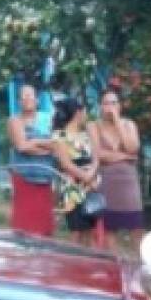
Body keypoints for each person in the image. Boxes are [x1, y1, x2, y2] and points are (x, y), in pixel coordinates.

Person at [92, 87, 145, 252]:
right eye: (106, 103)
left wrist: (117, 122)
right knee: (109, 229)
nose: (110, 107)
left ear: (120, 106)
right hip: (107, 182)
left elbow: (132, 148)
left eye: (114, 103)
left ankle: (143, 267)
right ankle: (113, 266)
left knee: (137, 228)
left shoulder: (129, 125)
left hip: (129, 184)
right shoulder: (94, 126)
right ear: (100, 106)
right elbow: (98, 154)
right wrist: (124, 157)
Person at [51, 97, 103, 248]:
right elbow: (66, 164)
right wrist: (85, 177)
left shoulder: (88, 132)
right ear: (77, 112)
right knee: (76, 230)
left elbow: (96, 157)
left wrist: (92, 175)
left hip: (91, 184)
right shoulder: (59, 136)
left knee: (91, 229)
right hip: (72, 188)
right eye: (84, 111)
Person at [7, 83, 58, 237]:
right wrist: (46, 147)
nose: (27, 99)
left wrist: (34, 142)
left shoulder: (48, 119)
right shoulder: (14, 121)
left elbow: (57, 144)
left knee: (44, 225)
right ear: (19, 102)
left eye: (30, 95)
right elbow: (22, 146)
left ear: (37, 100)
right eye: (23, 96)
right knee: (24, 225)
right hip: (24, 178)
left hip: (45, 177)